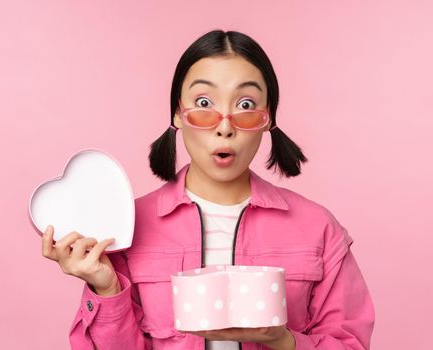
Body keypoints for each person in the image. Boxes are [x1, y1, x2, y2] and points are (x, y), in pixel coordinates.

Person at [42, 29, 375, 350]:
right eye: (203, 102)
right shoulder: (127, 227)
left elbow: (349, 343)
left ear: (268, 117)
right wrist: (106, 288)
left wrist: (281, 340)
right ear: (177, 112)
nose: (225, 127)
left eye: (245, 105)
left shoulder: (318, 229)